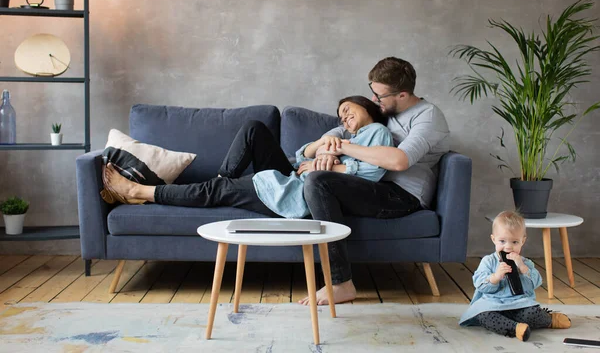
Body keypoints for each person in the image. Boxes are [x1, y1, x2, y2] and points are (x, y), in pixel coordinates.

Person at [298, 57, 451, 306]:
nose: (374, 100)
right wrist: (327, 148)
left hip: (401, 195)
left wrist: (346, 147)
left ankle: (340, 283)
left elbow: (400, 160)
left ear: (402, 94)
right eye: (373, 92)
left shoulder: (428, 116)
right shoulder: (385, 110)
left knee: (318, 182)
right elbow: (342, 129)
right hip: (370, 183)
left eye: (379, 95)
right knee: (309, 181)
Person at [103, 96, 394, 221]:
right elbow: (298, 154)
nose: (343, 116)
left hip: (301, 189)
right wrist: (321, 146)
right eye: (340, 113)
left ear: (366, 104)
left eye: (347, 108)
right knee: (254, 128)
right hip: (293, 174)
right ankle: (217, 184)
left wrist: (335, 160)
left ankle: (136, 190)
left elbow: (370, 173)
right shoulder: (345, 135)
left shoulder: (377, 132)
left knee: (216, 192)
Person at [459, 210, 571, 341]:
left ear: (523, 241)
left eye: (514, 242)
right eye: (502, 241)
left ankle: (549, 319)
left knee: (531, 314)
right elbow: (479, 284)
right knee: (483, 316)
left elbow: (534, 284)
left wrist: (522, 268)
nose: (508, 247)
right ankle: (516, 328)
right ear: (493, 239)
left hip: (519, 305)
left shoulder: (525, 262)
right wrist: (495, 277)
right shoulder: (488, 261)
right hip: (493, 305)